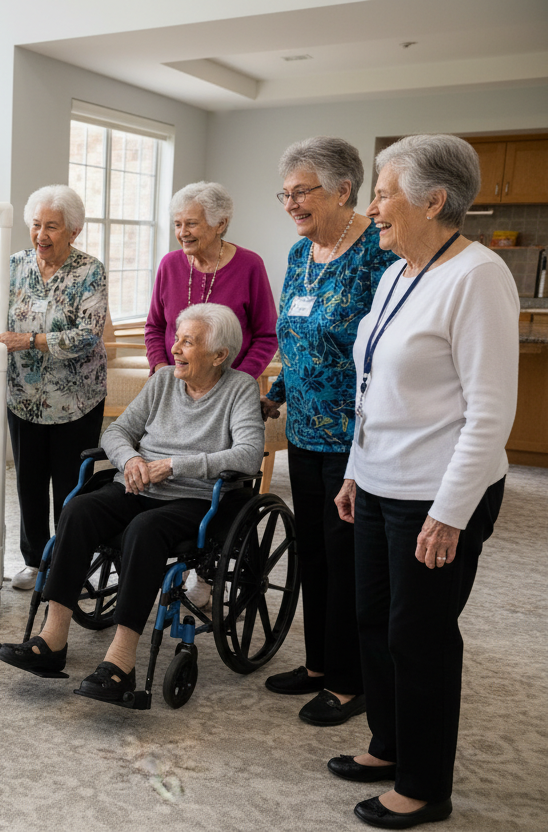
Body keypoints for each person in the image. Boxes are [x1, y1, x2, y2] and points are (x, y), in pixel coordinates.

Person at [328, 135, 519, 829]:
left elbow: (490, 411)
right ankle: (388, 744)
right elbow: (373, 382)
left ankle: (424, 784)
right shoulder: (397, 272)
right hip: (379, 483)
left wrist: (450, 513)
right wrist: (355, 469)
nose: (372, 207)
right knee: (374, 621)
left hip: (437, 494)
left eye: (382, 192)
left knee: (422, 636)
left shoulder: (477, 275)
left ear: (434, 200)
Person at [0, 304, 263, 699]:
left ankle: (121, 663)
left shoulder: (239, 388)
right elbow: (118, 431)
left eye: (189, 341)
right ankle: (52, 641)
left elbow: (248, 455)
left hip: (193, 499)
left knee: (144, 530)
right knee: (79, 510)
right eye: (177, 338)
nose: (176, 348)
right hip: (137, 484)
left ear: (219, 355)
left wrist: (174, 466)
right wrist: (131, 458)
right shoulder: (163, 381)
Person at [260, 137, 399, 728]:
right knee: (313, 555)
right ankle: (319, 665)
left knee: (349, 563)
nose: (291, 204)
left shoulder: (377, 255)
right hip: (305, 434)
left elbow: (386, 350)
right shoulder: (299, 255)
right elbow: (296, 338)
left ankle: (350, 681)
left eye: (302, 192)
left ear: (345, 190)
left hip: (354, 438)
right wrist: (280, 393)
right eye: (285, 194)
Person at [0, 184, 107, 592]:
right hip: (23, 397)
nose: (41, 235)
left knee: (71, 485)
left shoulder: (90, 271)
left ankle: (69, 565)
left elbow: (87, 336)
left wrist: (27, 340)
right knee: (29, 484)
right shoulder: (15, 264)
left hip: (75, 400)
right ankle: (36, 561)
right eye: (36, 225)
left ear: (73, 231)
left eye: (51, 227)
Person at [144, 181, 278, 379]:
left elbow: (267, 335)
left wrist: (240, 380)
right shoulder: (169, 264)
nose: (182, 233)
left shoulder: (250, 265)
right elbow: (154, 327)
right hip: (174, 382)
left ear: (220, 224)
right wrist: (161, 370)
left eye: (191, 224)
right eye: (177, 224)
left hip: (231, 385)